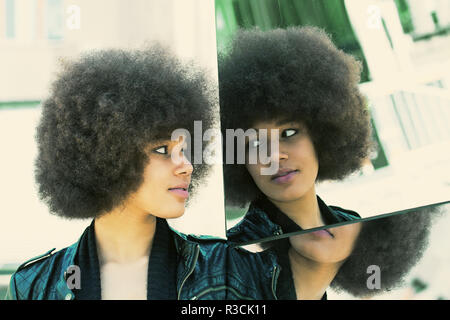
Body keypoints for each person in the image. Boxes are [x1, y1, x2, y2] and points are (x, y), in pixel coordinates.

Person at [5, 46, 229, 300]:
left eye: (185, 148)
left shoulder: (229, 271)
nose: (187, 165)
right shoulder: (32, 287)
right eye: (162, 149)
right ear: (108, 155)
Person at [218, 26, 372, 243]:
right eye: (254, 144)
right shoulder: (231, 255)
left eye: (288, 133)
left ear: (320, 136)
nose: (274, 156)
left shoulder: (354, 228)